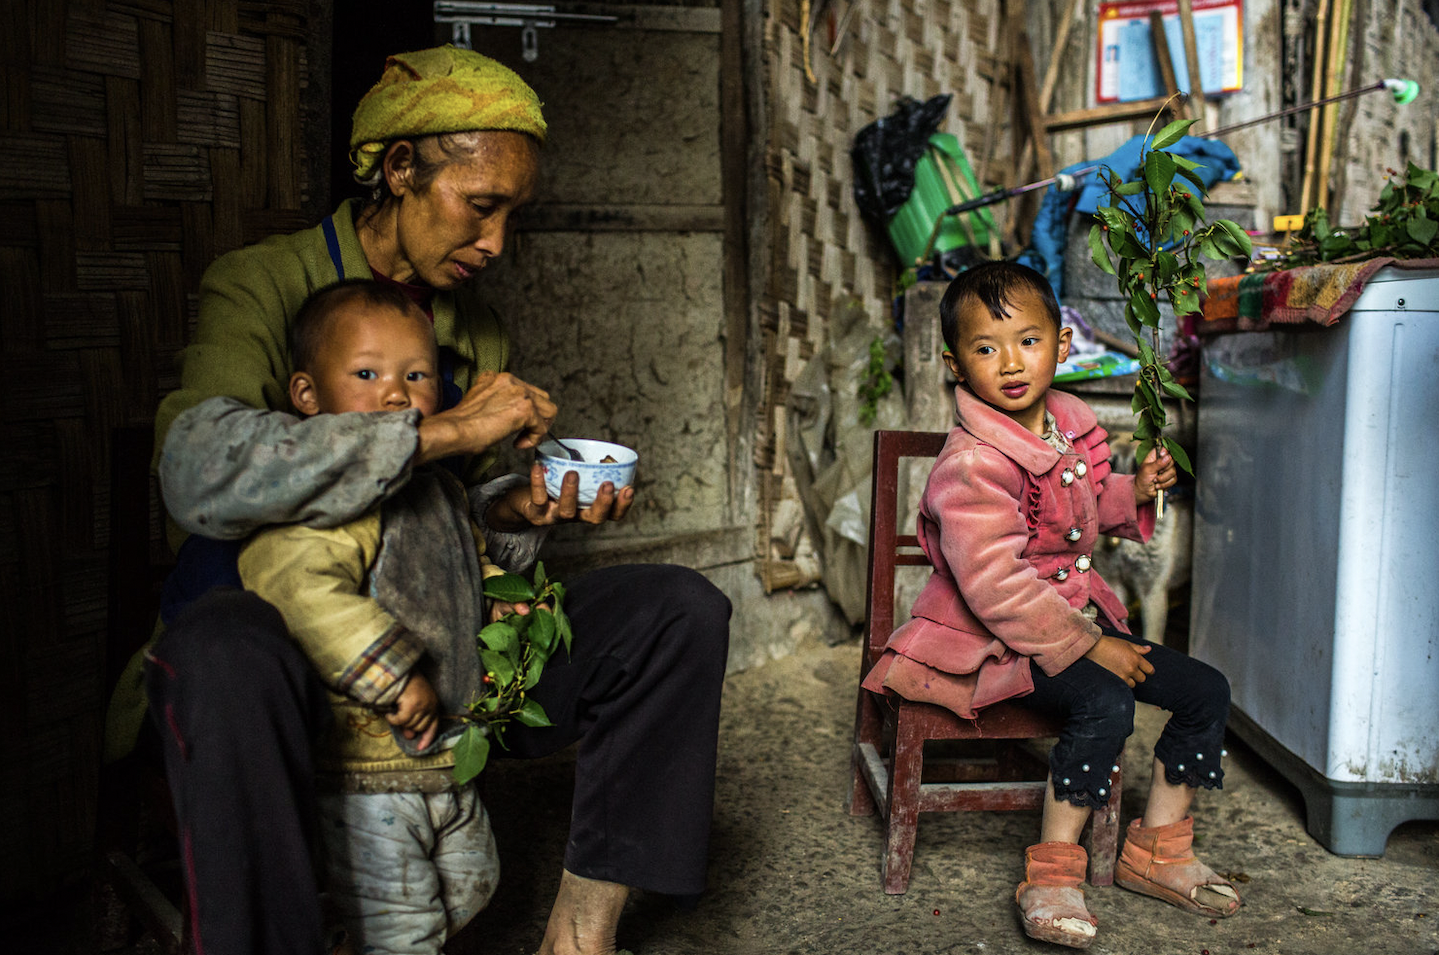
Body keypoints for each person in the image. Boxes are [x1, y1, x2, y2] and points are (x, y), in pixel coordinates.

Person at [114, 45, 731, 955]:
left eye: (512, 215)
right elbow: (197, 471)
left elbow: (443, 515)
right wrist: (439, 430)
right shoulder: (262, 284)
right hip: (298, 659)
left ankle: (578, 936)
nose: (495, 244)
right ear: (400, 168)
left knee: (676, 611)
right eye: (479, 207)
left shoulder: (470, 322)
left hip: (443, 654)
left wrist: (515, 507)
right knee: (222, 651)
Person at [861, 261, 1238, 949]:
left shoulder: (1068, 419)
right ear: (954, 363)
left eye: (1028, 341)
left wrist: (1132, 489)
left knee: (1205, 691)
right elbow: (995, 588)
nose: (1010, 362)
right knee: (1106, 701)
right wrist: (1095, 644)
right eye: (985, 347)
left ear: (1062, 345)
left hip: (1070, 624)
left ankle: (1156, 849)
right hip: (998, 640)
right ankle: (1052, 872)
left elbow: (1086, 509)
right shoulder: (971, 462)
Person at [234, 279, 511, 954]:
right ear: (307, 396)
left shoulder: (441, 488)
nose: (395, 393)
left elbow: (466, 565)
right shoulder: (328, 503)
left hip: (447, 756)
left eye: (416, 375)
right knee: (403, 924)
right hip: (365, 772)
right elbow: (297, 590)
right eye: (366, 373)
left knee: (477, 883)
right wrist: (393, 674)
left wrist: (505, 598)